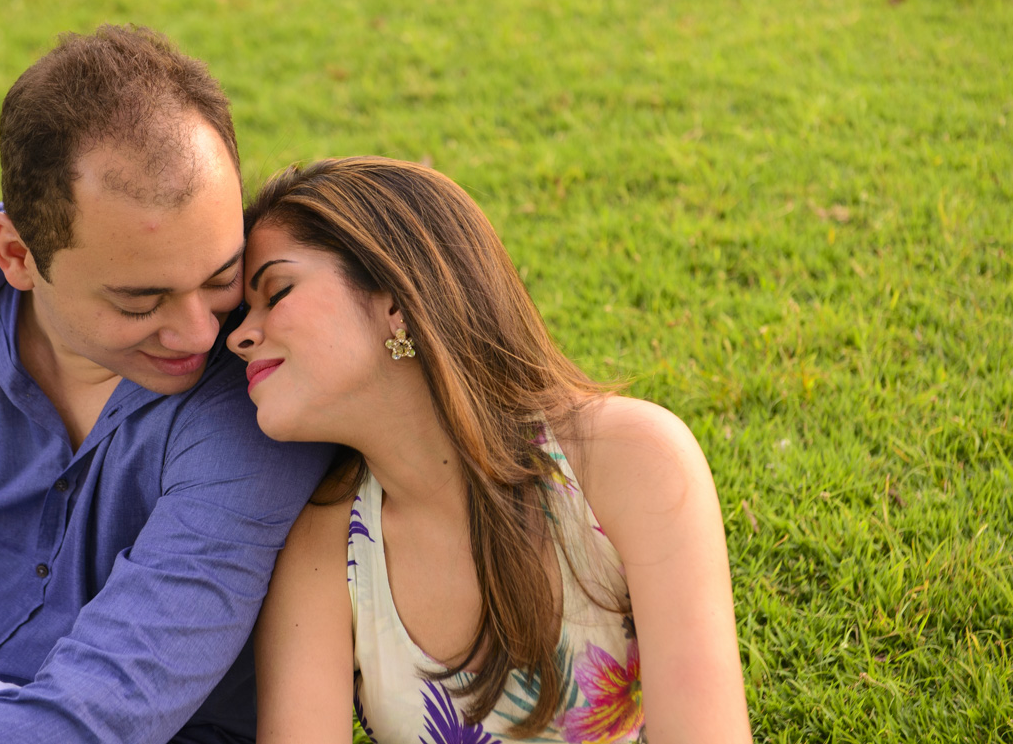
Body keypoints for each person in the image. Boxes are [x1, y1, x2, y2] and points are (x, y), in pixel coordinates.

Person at [0, 25, 333, 743]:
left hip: (145, 727)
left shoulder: (258, 396)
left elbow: (112, 704)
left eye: (219, 276)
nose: (200, 333)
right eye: (139, 301)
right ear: (18, 256)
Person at [225, 156, 753, 743]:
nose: (239, 336)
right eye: (245, 312)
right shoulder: (323, 550)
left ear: (397, 300)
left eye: (277, 292)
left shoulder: (630, 463)